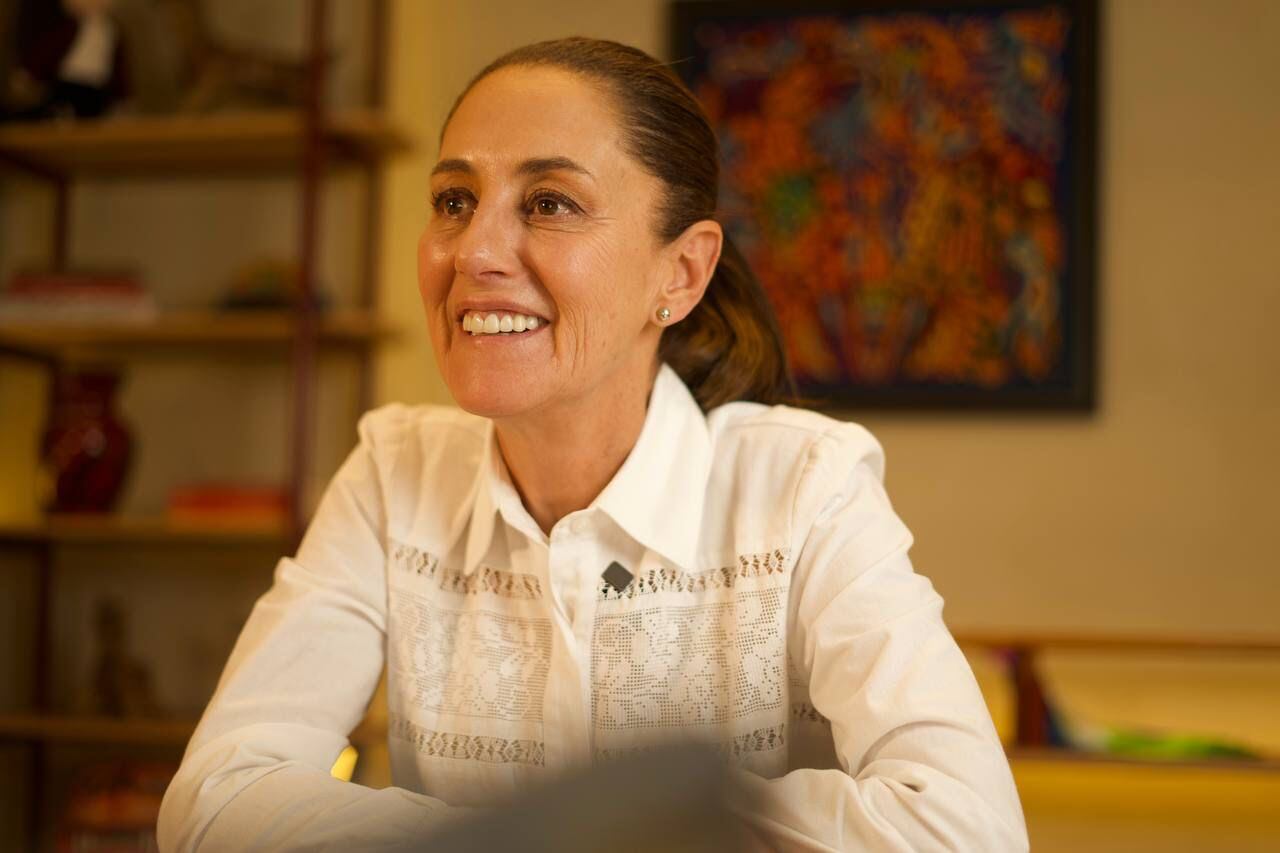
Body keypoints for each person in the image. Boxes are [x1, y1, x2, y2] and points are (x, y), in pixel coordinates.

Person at [157, 37, 1028, 852]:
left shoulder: (805, 486)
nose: (474, 251)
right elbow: (215, 799)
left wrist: (622, 819)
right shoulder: (394, 472)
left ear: (680, 272)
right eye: (455, 201)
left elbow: (967, 829)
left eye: (549, 203)